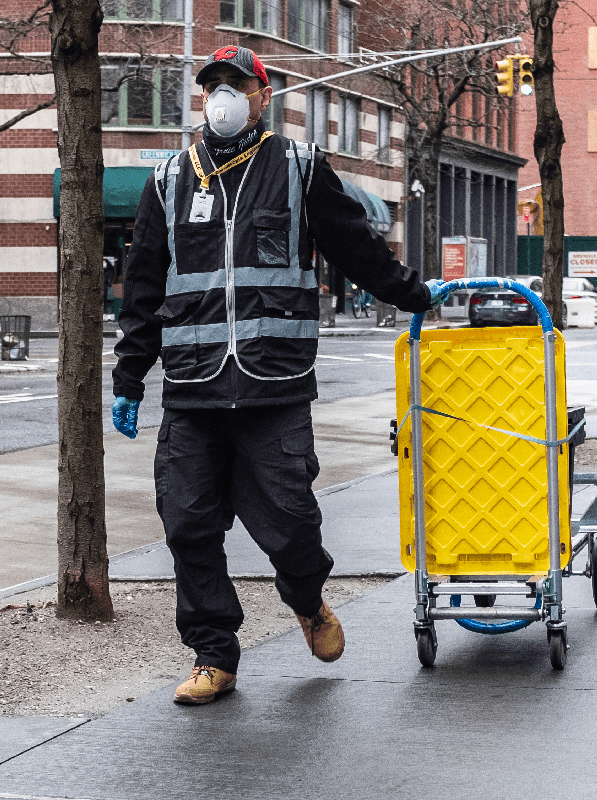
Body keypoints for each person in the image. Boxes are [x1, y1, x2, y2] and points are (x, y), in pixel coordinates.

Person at [110, 46, 449, 706]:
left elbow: (355, 246)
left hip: (274, 385)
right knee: (187, 525)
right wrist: (129, 376)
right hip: (194, 389)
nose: (223, 96)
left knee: (291, 524)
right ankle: (214, 655)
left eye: (237, 85)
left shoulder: (298, 169)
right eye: (213, 86)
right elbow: (143, 285)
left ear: (264, 98)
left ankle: (306, 600)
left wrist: (411, 293)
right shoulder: (170, 180)